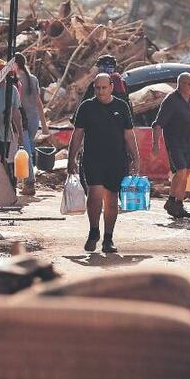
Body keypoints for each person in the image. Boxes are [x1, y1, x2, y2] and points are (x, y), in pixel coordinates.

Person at [68, 73, 139, 253]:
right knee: (94, 196)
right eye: (98, 88)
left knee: (112, 200)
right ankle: (93, 232)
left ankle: (108, 238)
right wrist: (71, 158)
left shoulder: (121, 107)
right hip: (93, 159)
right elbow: (77, 134)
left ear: (111, 87)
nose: (101, 91)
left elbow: (129, 135)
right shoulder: (86, 107)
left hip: (116, 160)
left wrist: (136, 158)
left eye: (104, 88)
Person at [152, 73, 190, 219]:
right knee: (181, 171)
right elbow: (158, 124)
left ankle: (178, 204)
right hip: (175, 143)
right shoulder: (171, 100)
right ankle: (171, 201)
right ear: (182, 84)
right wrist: (156, 144)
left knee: (187, 173)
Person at [13, 53, 49, 196]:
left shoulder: (16, 80)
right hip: (34, 119)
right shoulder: (33, 79)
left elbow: (17, 104)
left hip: (23, 120)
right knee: (26, 149)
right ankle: (23, 181)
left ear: (15, 64)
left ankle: (29, 183)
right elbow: (39, 103)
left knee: (25, 150)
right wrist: (44, 125)